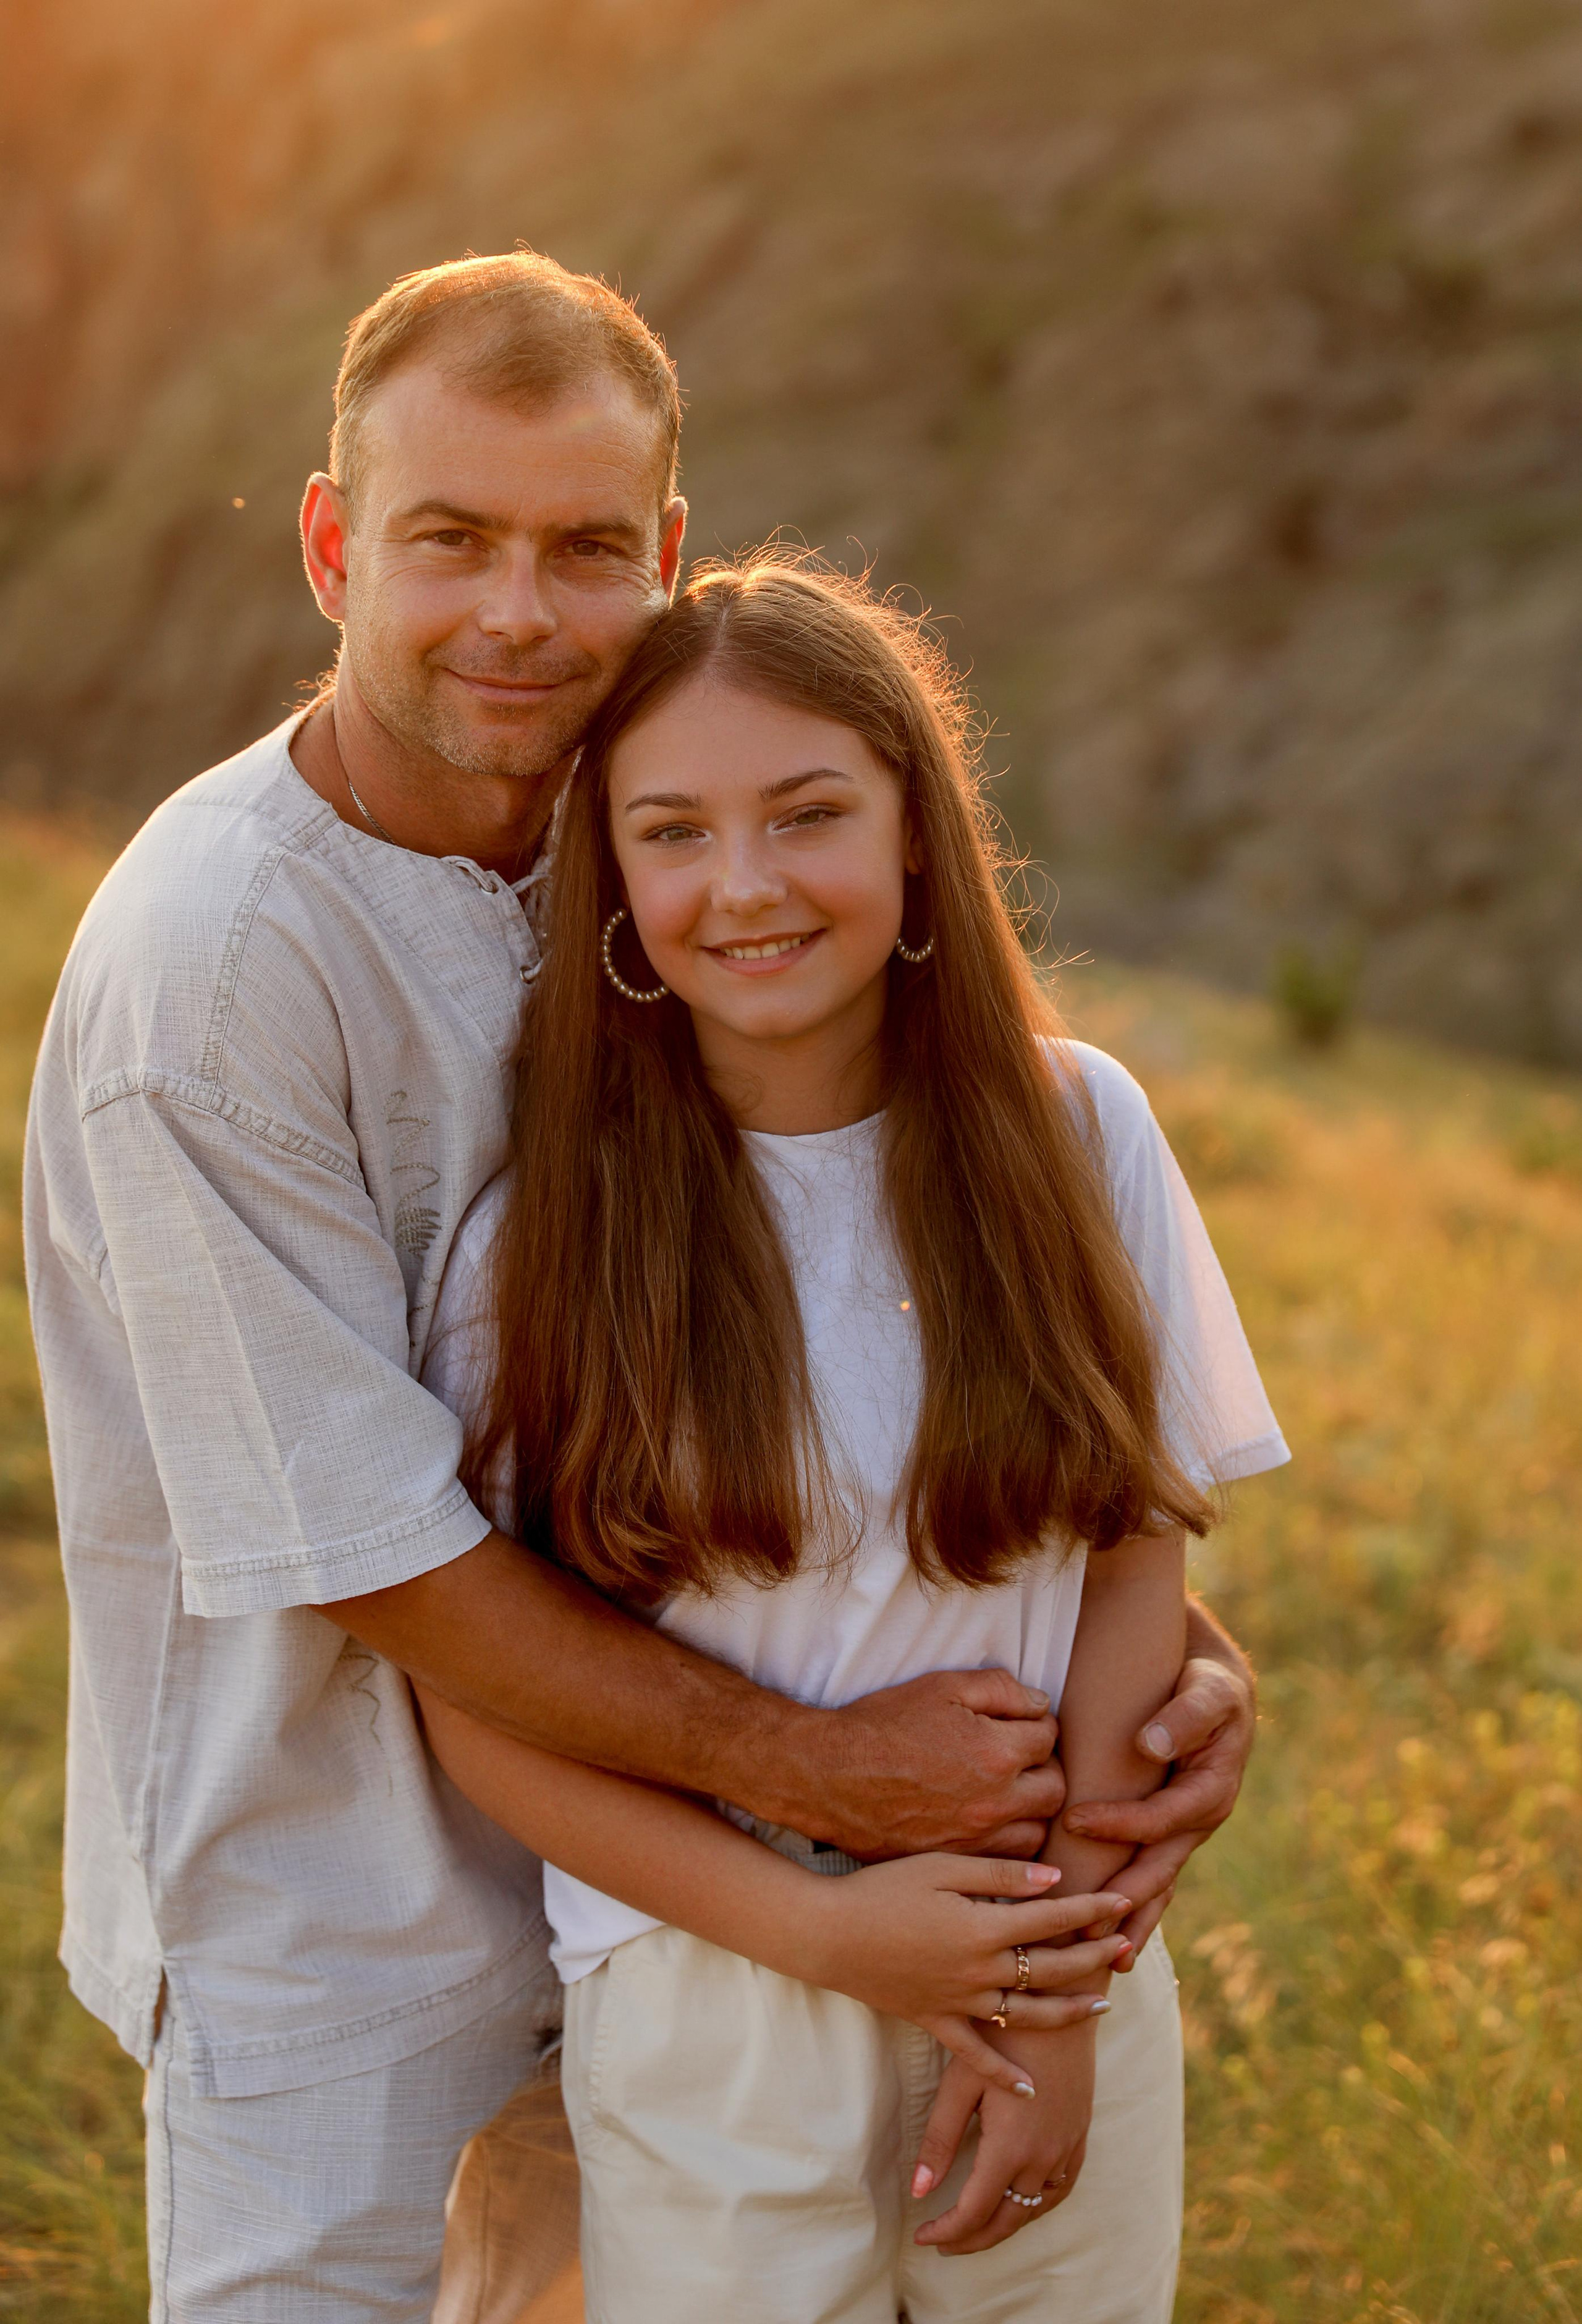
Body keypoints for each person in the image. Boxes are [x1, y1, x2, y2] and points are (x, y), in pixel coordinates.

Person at [23, 252, 1263, 2324]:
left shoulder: (624, 865)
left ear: (666, 556)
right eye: (450, 542)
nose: (519, 612)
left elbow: (915, 1371)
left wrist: (1143, 1655)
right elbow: (373, 1558)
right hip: (342, 1906)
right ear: (334, 549)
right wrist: (824, 1779)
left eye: (585, 547)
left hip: (647, 1926)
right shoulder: (217, 975)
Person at [418, 553, 1290, 2323]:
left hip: (1049, 1958)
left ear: (915, 841)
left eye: (806, 814)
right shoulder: (547, 1239)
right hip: (716, 1993)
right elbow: (483, 1709)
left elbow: (1134, 1563)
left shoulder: (1076, 1131)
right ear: (613, 877)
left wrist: (1052, 2008)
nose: (741, 886)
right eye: (672, 832)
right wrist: (816, 1932)